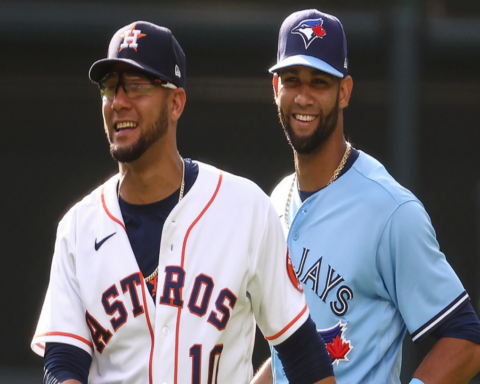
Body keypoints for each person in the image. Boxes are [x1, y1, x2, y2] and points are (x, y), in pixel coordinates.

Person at [30, 21, 337, 384]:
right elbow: (62, 364)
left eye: (138, 86)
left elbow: (302, 352)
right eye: (110, 87)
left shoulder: (245, 209)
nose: (119, 102)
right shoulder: (78, 228)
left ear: (176, 102)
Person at [252, 9, 480, 384]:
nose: (303, 96)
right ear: (275, 89)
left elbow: (464, 339)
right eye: (292, 80)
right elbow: (287, 356)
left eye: (320, 82)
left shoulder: (390, 209)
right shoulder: (278, 199)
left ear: (344, 92)